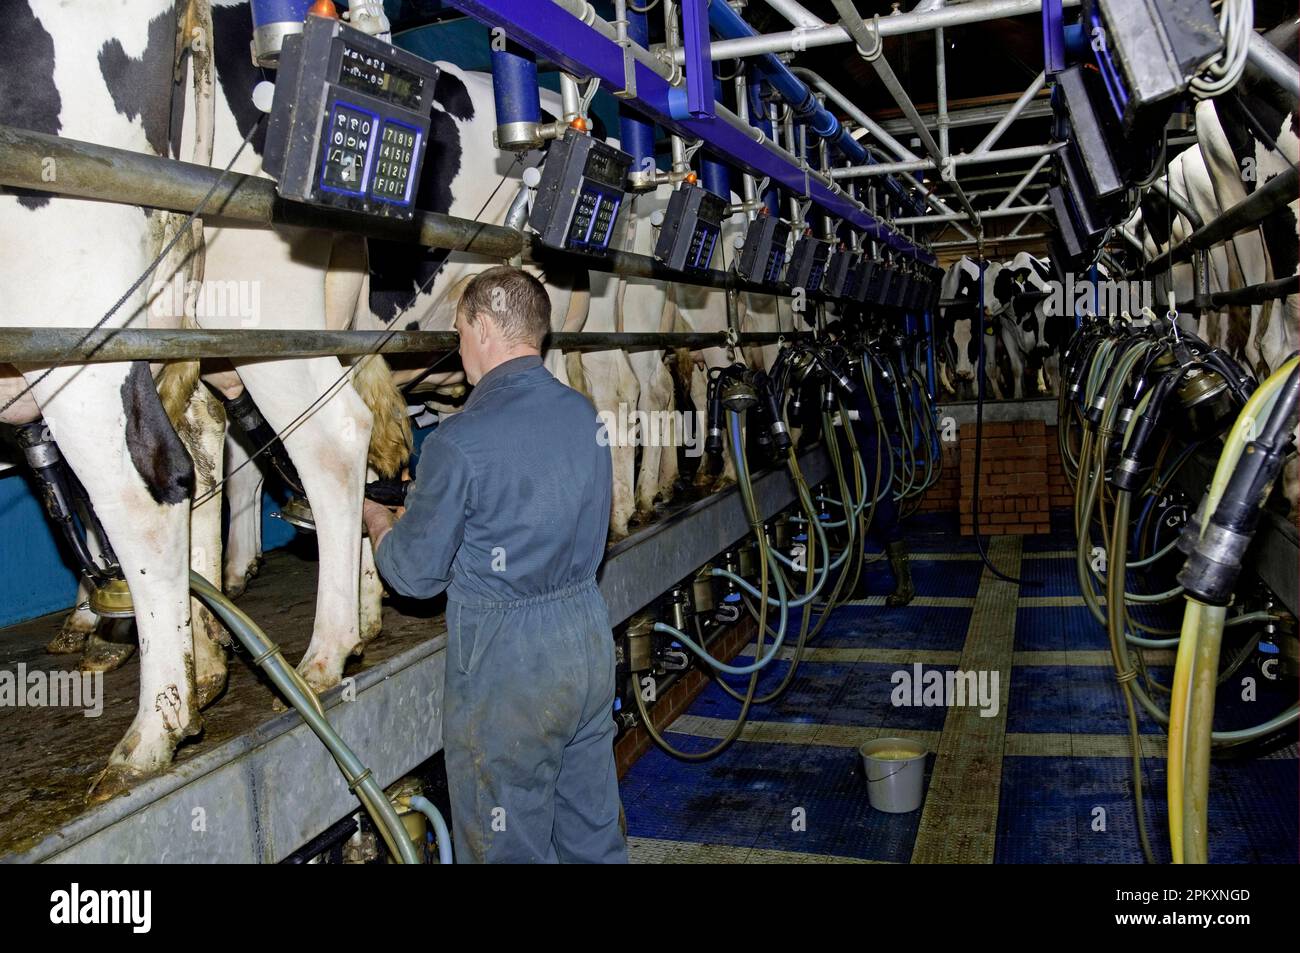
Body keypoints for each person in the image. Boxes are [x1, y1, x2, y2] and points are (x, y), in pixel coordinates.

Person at [362, 265, 627, 864]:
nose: (458, 348)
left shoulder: (459, 440)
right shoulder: (586, 417)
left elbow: (414, 575)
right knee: (591, 830)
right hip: (585, 640)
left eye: (458, 332)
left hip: (509, 668)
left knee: (508, 841)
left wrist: (380, 522)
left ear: (482, 327)